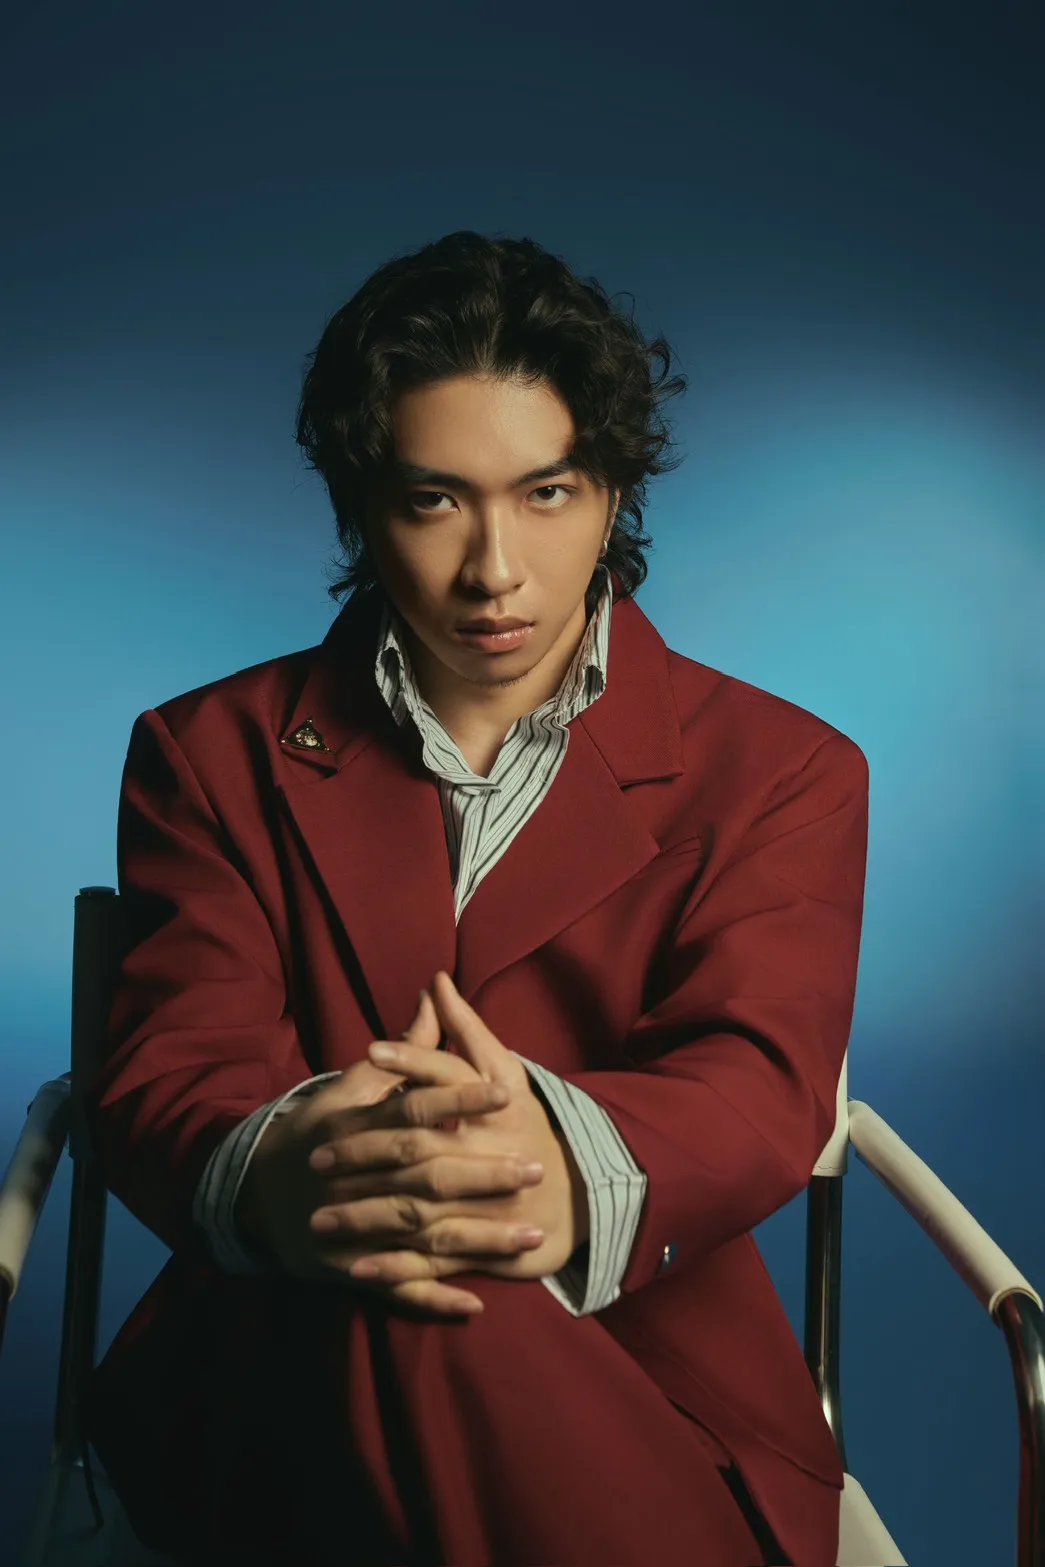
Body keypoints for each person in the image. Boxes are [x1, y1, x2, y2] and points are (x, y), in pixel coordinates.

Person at [85, 230, 868, 1566]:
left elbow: (757, 1079)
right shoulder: (207, 754)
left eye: (547, 492)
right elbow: (176, 1064)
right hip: (277, 1378)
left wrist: (553, 1168)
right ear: (363, 506)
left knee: (441, 1266)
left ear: (612, 492)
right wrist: (292, 1173)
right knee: (408, 1269)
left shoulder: (786, 771)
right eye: (434, 500)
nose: (495, 567)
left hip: (659, 1392)